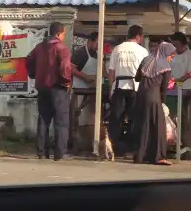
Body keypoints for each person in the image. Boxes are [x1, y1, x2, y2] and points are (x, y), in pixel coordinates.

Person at [26, 22, 72, 161]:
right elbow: (65, 67)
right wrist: (66, 81)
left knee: (43, 119)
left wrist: (34, 74)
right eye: (64, 34)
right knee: (61, 121)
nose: (64, 36)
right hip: (57, 87)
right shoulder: (61, 47)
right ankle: (60, 153)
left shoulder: (39, 47)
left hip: (42, 87)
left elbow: (28, 60)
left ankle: (41, 152)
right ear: (59, 34)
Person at [132, 42, 176, 166]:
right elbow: (164, 89)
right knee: (158, 128)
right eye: (171, 56)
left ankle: (140, 156)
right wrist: (163, 104)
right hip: (154, 97)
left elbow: (137, 78)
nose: (171, 58)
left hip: (141, 96)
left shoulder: (146, 60)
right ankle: (158, 157)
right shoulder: (165, 67)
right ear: (165, 52)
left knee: (143, 125)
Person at [108, 25, 149, 154]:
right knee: (134, 119)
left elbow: (111, 72)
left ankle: (114, 146)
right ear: (138, 36)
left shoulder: (117, 49)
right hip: (135, 88)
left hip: (119, 86)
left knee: (116, 119)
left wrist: (111, 88)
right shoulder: (143, 51)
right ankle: (133, 147)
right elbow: (145, 73)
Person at [71, 32, 98, 148]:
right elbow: (71, 70)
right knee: (78, 117)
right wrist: (86, 78)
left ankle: (90, 142)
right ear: (90, 41)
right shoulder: (80, 53)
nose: (98, 46)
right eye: (97, 43)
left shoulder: (96, 54)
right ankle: (76, 143)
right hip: (80, 89)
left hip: (93, 90)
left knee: (91, 118)